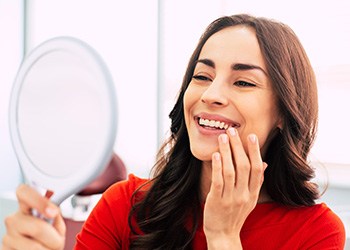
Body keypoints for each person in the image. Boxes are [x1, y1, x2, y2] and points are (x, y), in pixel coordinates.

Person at [2, 14, 346, 250]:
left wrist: (223, 236)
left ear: (284, 113)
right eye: (201, 76)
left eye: (243, 82)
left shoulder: (316, 234)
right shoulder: (124, 206)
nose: (210, 95)